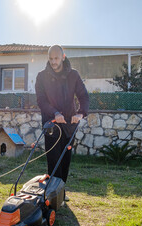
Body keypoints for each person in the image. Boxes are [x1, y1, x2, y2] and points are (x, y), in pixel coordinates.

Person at [35, 45, 89, 199]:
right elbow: (41, 100)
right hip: (51, 124)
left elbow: (83, 96)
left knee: (65, 159)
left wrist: (80, 113)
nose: (53, 61)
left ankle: (61, 191)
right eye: (50, 58)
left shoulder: (73, 75)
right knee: (53, 159)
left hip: (69, 125)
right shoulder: (41, 76)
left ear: (63, 57)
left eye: (56, 58)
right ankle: (53, 193)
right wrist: (55, 113)